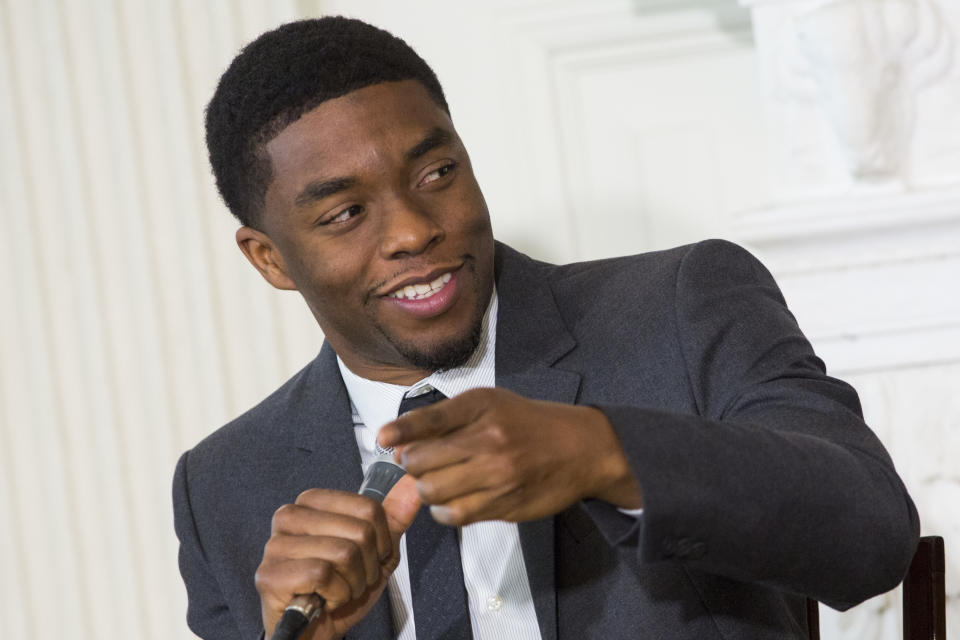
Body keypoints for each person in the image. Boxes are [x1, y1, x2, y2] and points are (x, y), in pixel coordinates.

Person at [173, 16, 920, 640]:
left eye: (437, 173)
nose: (411, 230)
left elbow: (873, 532)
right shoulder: (224, 487)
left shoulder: (680, 308)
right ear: (270, 258)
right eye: (345, 214)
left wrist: (605, 452)